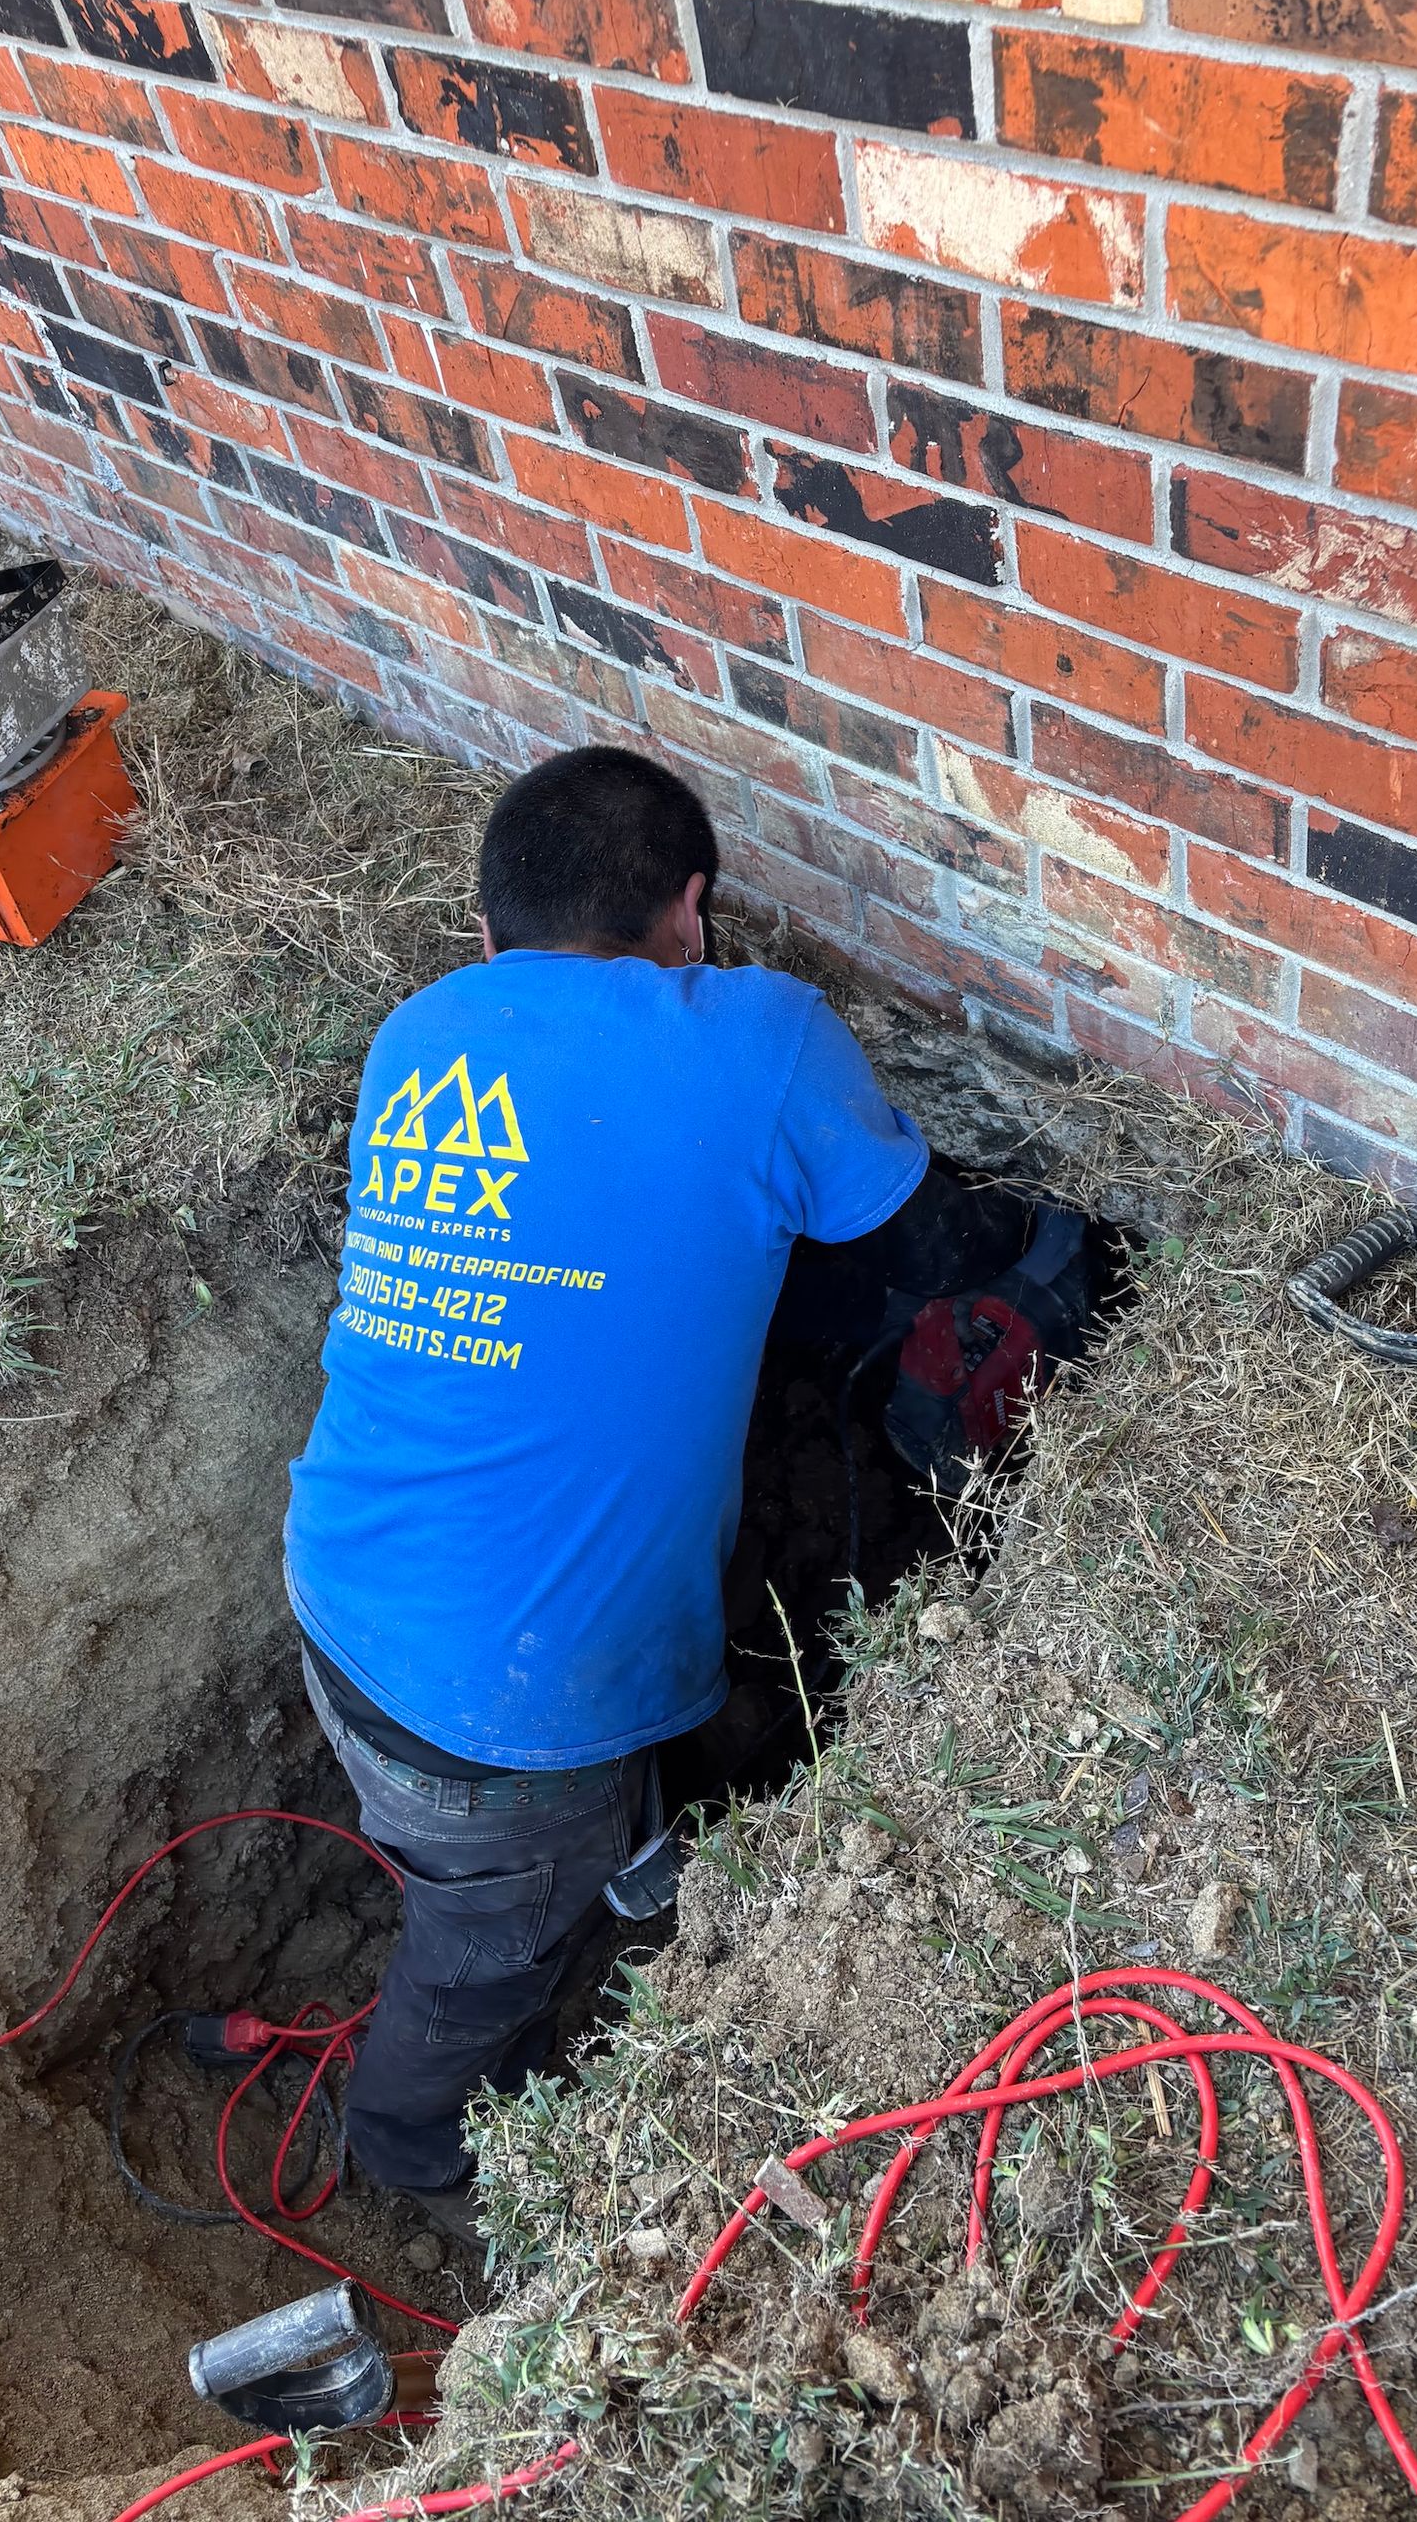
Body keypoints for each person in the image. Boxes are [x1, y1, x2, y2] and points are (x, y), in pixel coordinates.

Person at [283, 746, 1028, 2239]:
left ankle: (633, 1873)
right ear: (691, 911)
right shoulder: (760, 1040)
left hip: (345, 1586)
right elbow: (928, 1250)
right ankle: (411, 2140)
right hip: (514, 1717)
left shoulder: (419, 1033)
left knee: (539, 1837)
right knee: (482, 1947)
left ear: (487, 927)